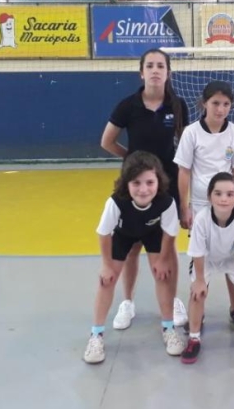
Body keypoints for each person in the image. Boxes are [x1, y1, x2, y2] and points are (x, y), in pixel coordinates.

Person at [100, 48, 189, 330]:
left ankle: (172, 299)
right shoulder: (128, 106)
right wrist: (132, 163)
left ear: (168, 73)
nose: (154, 70)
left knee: (168, 242)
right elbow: (107, 141)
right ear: (141, 72)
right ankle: (127, 302)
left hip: (168, 185)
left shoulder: (177, 105)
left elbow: (185, 146)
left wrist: (185, 199)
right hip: (136, 186)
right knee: (132, 244)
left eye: (160, 66)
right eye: (149, 65)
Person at [83, 151, 184, 364]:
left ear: (159, 181)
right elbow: (103, 233)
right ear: (126, 184)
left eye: (149, 182)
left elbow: (170, 233)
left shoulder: (166, 202)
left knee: (163, 275)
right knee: (106, 280)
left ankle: (168, 328)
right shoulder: (116, 202)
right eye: (136, 183)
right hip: (124, 235)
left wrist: (164, 260)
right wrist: (107, 265)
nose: (143, 189)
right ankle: (96, 334)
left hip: (153, 233)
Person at [174, 80, 234, 327]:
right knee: (199, 258)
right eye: (215, 103)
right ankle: (198, 310)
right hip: (200, 206)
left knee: (231, 256)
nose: (221, 109)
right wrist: (184, 208)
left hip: (228, 205)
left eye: (226, 104)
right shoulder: (191, 132)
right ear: (204, 103)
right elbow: (184, 172)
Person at [180, 173, 234, 364]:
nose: (223, 199)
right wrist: (199, 280)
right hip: (206, 259)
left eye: (230, 194)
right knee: (198, 293)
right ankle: (194, 338)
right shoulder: (202, 219)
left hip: (231, 258)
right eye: (218, 193)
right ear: (209, 197)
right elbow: (197, 252)